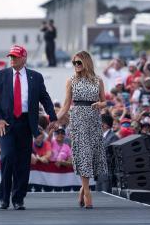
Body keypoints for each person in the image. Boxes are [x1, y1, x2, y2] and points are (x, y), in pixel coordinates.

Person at [0, 44, 58, 210]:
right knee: (7, 157)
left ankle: (18, 198)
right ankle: (4, 198)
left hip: (26, 124)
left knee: (23, 162)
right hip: (5, 124)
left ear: (24, 58)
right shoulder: (0, 75)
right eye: (10, 56)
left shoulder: (36, 76)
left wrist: (53, 117)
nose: (12, 59)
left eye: (15, 56)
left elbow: (45, 98)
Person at [56, 50, 108, 209]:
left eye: (79, 62)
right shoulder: (70, 81)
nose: (76, 65)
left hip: (94, 119)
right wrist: (55, 119)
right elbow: (66, 104)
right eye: (74, 63)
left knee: (92, 157)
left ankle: (82, 189)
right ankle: (87, 194)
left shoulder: (98, 80)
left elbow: (104, 101)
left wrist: (100, 105)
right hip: (78, 119)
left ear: (86, 62)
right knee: (84, 155)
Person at [96, 113, 119, 192]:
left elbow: (112, 155)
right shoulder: (100, 136)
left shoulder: (113, 137)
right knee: (98, 197)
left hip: (107, 173)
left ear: (105, 125)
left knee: (105, 197)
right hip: (99, 172)